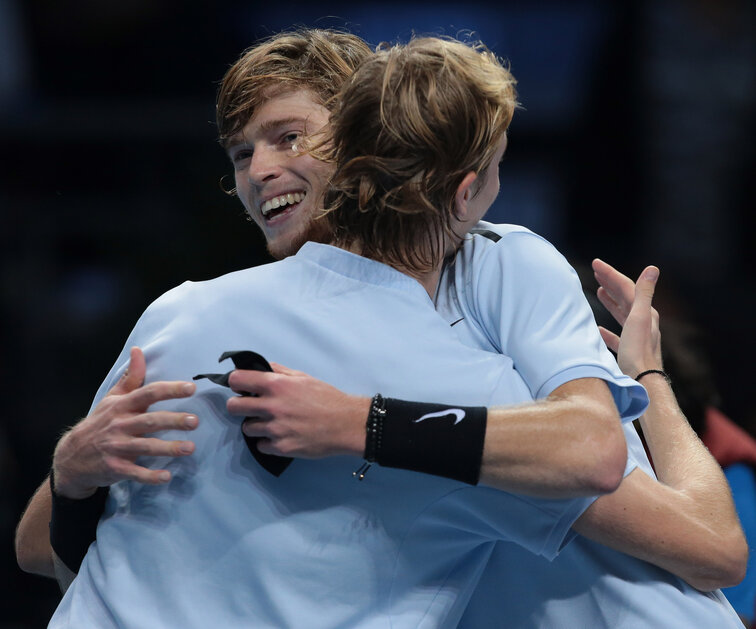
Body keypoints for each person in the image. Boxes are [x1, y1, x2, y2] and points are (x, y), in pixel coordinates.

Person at [16, 29, 745, 626]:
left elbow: (689, 532)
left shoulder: (499, 263)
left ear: (364, 136)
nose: (261, 170)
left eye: (288, 137)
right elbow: (43, 543)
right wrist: (72, 472)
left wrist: (358, 422)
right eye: (242, 154)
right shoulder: (200, 310)